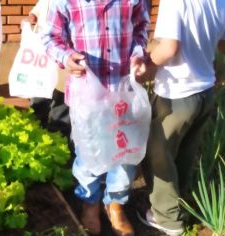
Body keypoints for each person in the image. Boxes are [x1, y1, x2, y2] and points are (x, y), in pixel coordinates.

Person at [42, 1, 150, 235]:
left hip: (123, 92)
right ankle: (89, 203)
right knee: (88, 153)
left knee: (124, 153)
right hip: (87, 93)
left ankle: (115, 205)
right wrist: (66, 57)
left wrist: (138, 55)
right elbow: (50, 37)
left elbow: (142, 27)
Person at [134, 0, 225, 235]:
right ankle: (176, 199)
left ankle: (167, 219)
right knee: (184, 151)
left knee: (158, 155)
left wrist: (146, 64)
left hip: (176, 95)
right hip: (205, 92)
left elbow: (169, 49)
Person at [28, 0, 71, 139]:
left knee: (61, 96)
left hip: (65, 50)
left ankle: (58, 138)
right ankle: (38, 131)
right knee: (39, 92)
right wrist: (35, 12)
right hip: (44, 50)